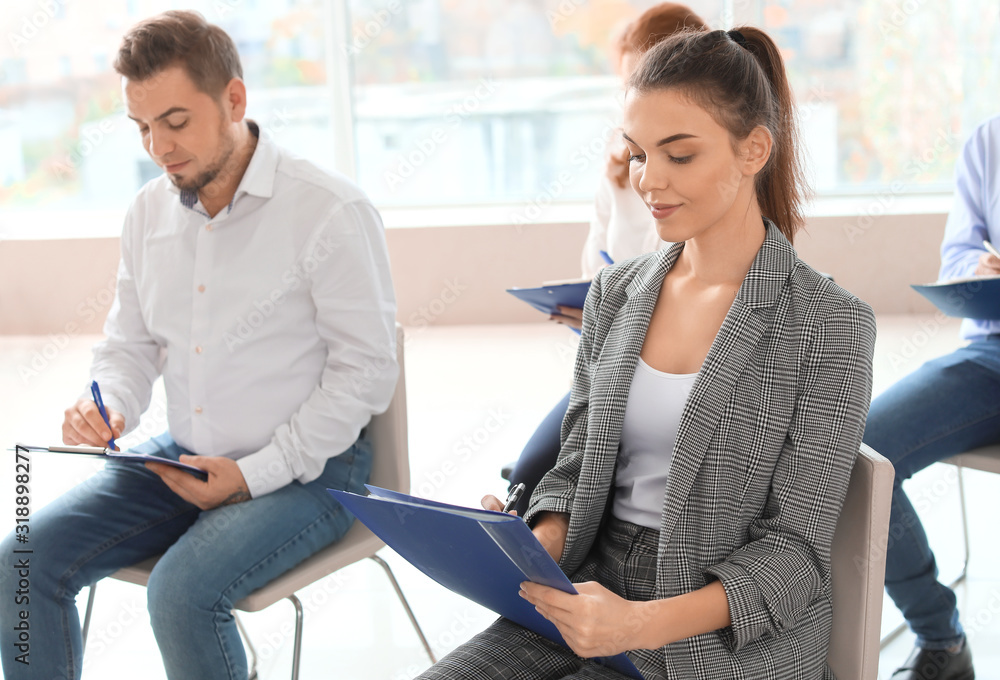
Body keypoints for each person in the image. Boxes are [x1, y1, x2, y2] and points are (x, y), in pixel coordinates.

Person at [420, 25, 876, 680]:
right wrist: (530, 545)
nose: (648, 180)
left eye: (679, 155)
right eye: (637, 153)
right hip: (590, 585)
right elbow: (578, 462)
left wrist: (638, 623)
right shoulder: (616, 293)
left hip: (709, 629)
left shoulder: (828, 325)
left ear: (754, 151)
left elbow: (794, 556)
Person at [0, 11, 397, 680]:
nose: (158, 146)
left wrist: (252, 475)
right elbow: (128, 345)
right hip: (186, 454)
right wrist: (107, 404)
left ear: (234, 99)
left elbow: (366, 374)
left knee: (181, 593)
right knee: (21, 561)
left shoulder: (329, 211)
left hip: (315, 468)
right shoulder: (147, 215)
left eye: (176, 122)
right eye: (142, 127)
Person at [507, 2, 707, 517]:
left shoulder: (708, 189)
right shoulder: (620, 168)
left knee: (544, 479)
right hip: (612, 358)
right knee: (529, 478)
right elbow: (596, 261)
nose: (633, 103)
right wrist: (596, 309)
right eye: (627, 89)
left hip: (663, 365)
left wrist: (613, 312)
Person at [859, 118, 1000, 680]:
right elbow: (958, 256)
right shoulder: (987, 140)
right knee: (864, 455)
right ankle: (942, 641)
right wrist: (978, 268)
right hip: (991, 353)